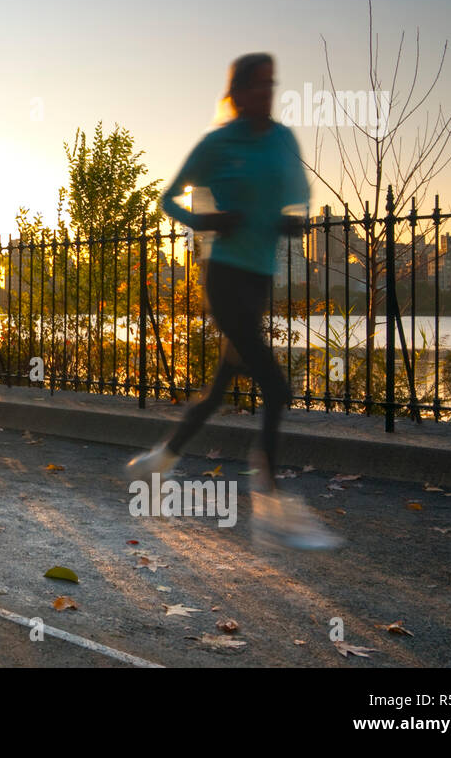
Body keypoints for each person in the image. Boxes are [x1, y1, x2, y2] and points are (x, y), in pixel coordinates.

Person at [125, 52, 342, 550]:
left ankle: (157, 463)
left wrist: (295, 219)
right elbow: (168, 199)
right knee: (277, 389)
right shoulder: (217, 143)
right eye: (259, 84)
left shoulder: (284, 140)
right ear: (239, 92)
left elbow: (297, 197)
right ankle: (271, 503)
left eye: (273, 83)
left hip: (259, 279)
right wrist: (209, 221)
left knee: (220, 390)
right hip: (222, 277)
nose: (269, 92)